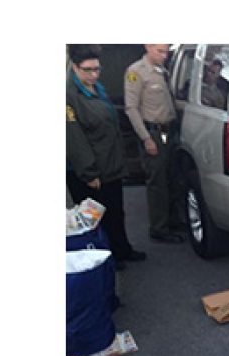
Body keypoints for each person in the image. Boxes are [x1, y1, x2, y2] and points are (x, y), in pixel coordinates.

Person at [66, 44, 146, 269]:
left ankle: (122, 250)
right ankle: (105, 259)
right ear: (74, 66)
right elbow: (74, 139)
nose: (93, 75)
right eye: (87, 70)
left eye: (97, 69)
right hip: (88, 171)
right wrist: (89, 172)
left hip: (109, 165)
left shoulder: (95, 88)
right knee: (95, 218)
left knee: (116, 212)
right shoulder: (68, 96)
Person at [124, 44, 184, 243]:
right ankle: (159, 228)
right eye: (160, 51)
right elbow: (131, 108)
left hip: (169, 131)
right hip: (154, 132)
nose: (165, 55)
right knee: (157, 182)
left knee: (172, 177)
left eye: (166, 51)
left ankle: (173, 220)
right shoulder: (136, 72)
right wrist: (146, 138)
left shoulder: (163, 71)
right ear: (148, 46)